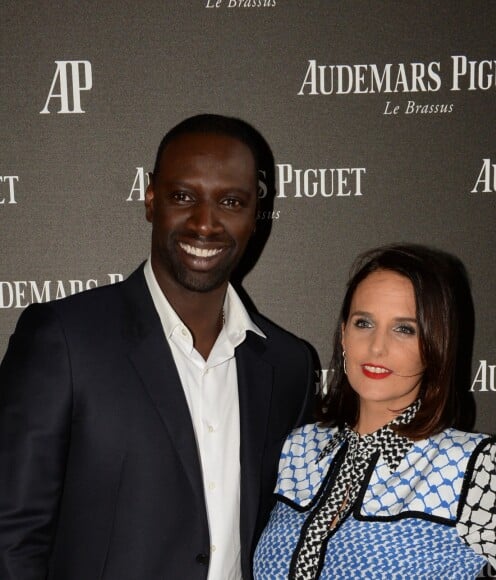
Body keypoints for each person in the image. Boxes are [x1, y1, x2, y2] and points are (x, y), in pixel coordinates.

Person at [0, 114, 314, 580]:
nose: (206, 224)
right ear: (151, 199)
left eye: (231, 201)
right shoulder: (64, 339)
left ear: (255, 217)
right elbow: (12, 532)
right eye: (184, 196)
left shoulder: (288, 366)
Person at [254, 244, 496, 579]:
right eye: (363, 323)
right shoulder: (299, 450)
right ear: (343, 336)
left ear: (434, 346)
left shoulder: (463, 465)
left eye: (404, 329)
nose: (377, 346)